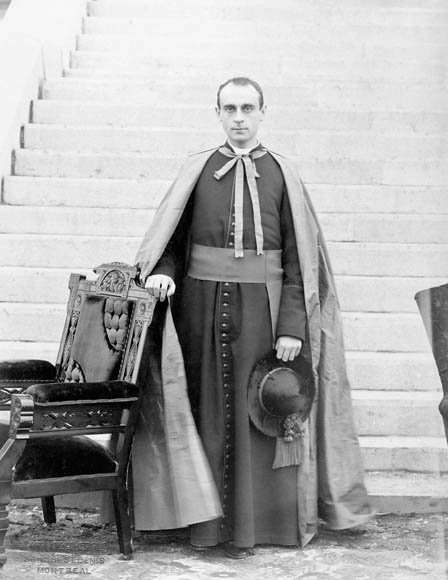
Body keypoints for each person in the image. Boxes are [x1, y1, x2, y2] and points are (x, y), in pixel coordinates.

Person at [132, 77, 373, 558]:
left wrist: (292, 327)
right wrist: (162, 272)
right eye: (230, 109)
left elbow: (301, 262)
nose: (239, 118)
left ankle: (260, 526)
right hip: (199, 309)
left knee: (260, 414)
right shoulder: (197, 169)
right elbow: (171, 242)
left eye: (247, 108)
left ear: (263, 112)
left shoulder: (283, 173)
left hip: (264, 310)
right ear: (217, 113)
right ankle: (204, 526)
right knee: (205, 414)